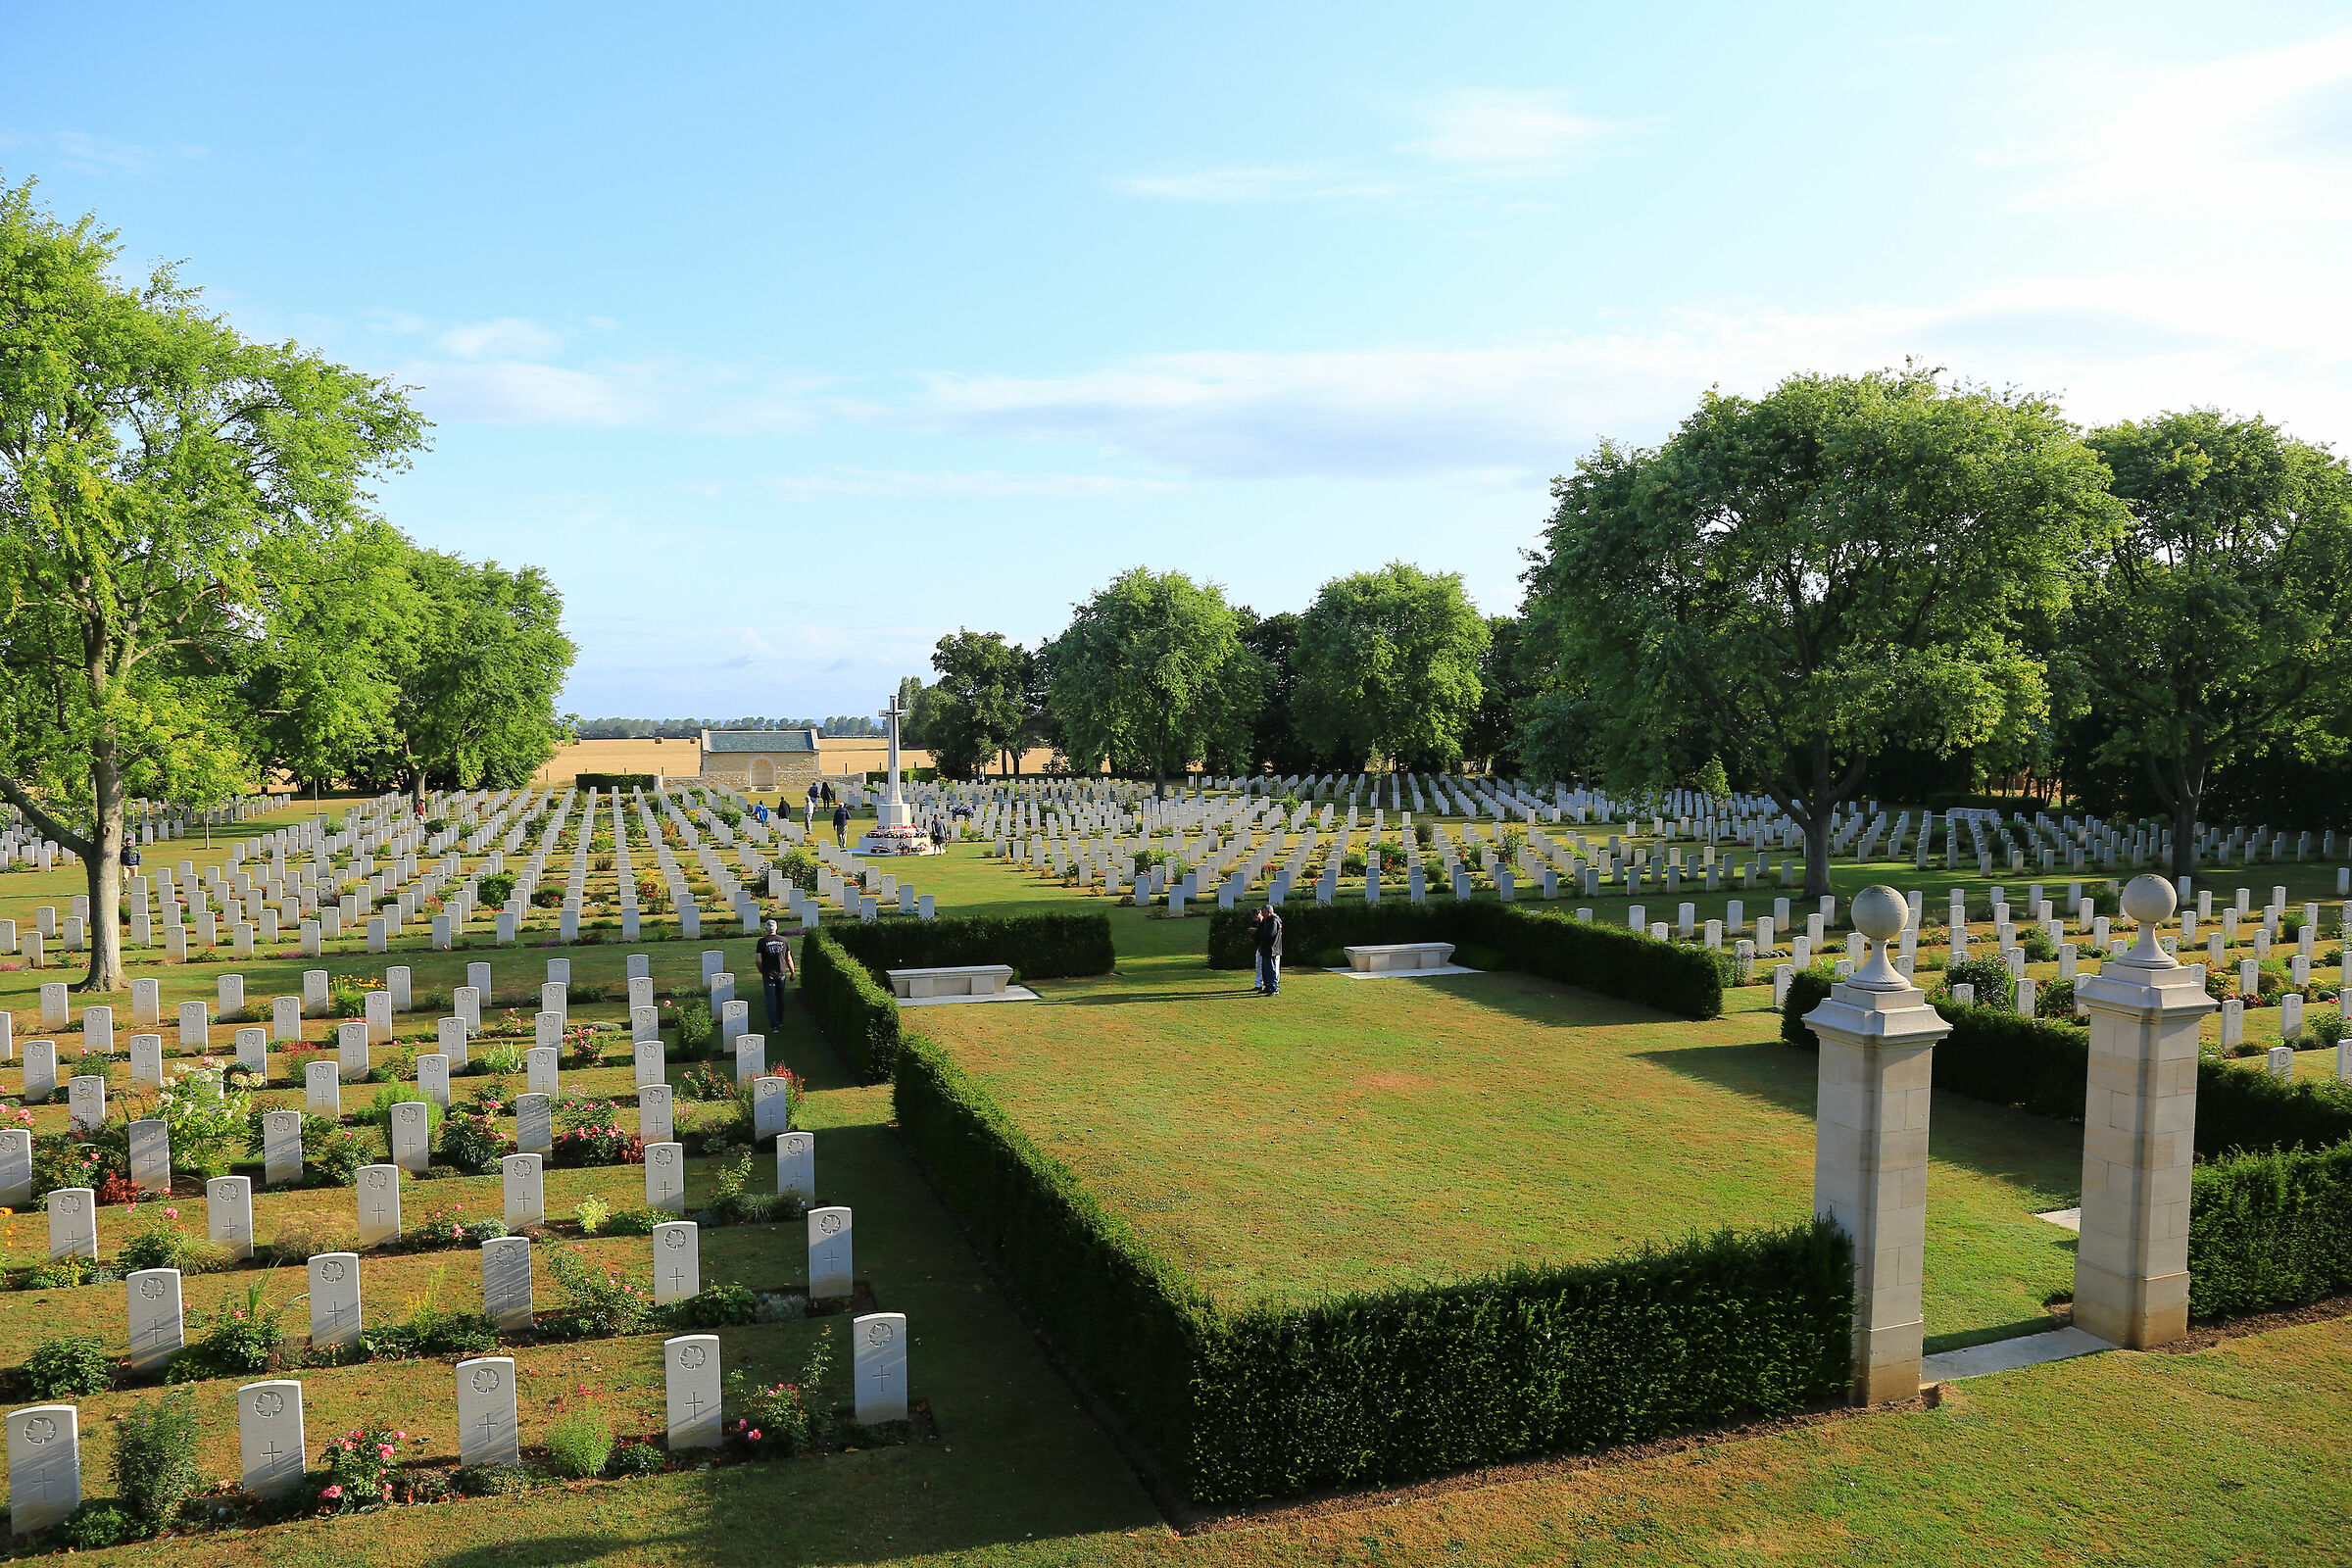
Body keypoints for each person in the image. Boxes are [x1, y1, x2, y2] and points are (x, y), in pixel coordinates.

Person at [754, 918, 796, 1029]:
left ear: (766, 929)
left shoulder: (762, 942)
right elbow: (788, 958)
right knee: (780, 998)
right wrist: (792, 972)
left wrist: (761, 970)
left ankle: (774, 1024)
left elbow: (758, 960)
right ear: (776, 928)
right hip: (781, 973)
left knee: (770, 999)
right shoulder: (784, 940)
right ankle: (780, 1020)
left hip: (768, 973)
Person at [1252, 905, 1283, 996]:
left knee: (1271, 970)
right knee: (1265, 970)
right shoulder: (1267, 921)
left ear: (1269, 912)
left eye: (1264, 913)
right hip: (1266, 949)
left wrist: (1257, 932)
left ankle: (1274, 988)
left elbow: (1270, 935)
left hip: (1272, 949)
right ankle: (1268, 987)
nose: (1262, 914)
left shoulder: (1273, 921)